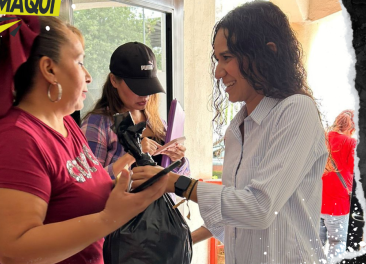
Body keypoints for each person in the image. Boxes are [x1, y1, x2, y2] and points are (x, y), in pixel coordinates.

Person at [0, 15, 167, 264]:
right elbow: (13, 249)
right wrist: (110, 217)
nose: (88, 76)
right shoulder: (14, 139)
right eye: (79, 62)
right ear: (49, 69)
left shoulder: (65, 122)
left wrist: (129, 189)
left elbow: (78, 196)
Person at [131, 2, 329, 263]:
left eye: (227, 58)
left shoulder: (296, 110)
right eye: (217, 59)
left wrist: (174, 183)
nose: (218, 72)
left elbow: (258, 208)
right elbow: (233, 215)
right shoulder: (237, 127)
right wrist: (179, 239)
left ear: (267, 54)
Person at [80, 42, 190, 180]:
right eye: (137, 87)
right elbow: (89, 182)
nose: (145, 95)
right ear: (114, 80)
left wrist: (178, 160)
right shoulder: (97, 124)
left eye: (149, 86)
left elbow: (183, 179)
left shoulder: (157, 123)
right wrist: (132, 155)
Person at [320, 110, 357, 260]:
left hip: (316, 202)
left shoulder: (322, 138)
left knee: (315, 243)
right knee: (338, 242)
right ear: (352, 128)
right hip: (338, 206)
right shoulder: (351, 143)